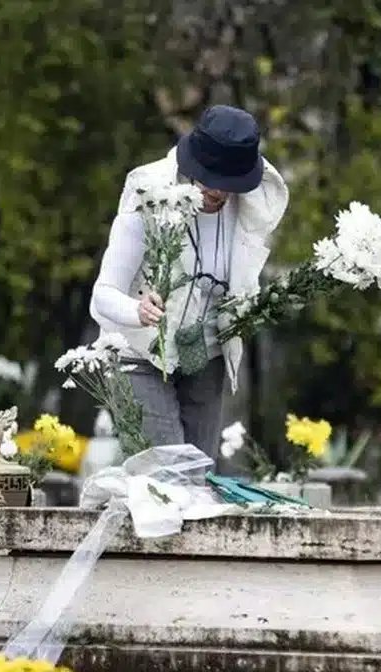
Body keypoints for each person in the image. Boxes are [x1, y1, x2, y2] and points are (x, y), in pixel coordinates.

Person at [89, 105, 289, 460]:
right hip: (139, 354)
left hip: (205, 357)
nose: (223, 193)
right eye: (215, 180)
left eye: (233, 184)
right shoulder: (149, 198)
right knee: (168, 475)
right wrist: (139, 310)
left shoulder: (244, 213)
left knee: (199, 480)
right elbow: (101, 297)